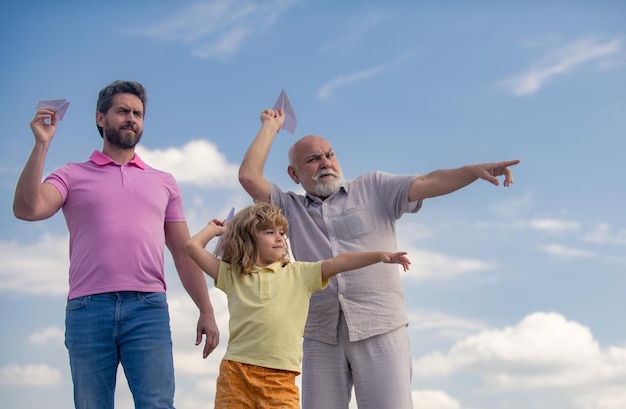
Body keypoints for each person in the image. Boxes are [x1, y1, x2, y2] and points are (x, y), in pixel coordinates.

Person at [238, 108, 521, 409]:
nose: (325, 163)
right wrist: (271, 125)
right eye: (313, 159)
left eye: (330, 155)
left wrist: (471, 172)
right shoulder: (289, 207)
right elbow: (248, 176)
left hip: (380, 325)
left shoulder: (374, 187)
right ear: (294, 174)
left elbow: (429, 180)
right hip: (321, 333)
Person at [12, 80, 220, 409]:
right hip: (87, 309)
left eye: (137, 113)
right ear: (100, 118)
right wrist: (42, 145)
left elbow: (183, 252)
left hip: (148, 309)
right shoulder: (71, 174)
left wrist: (206, 310)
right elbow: (27, 209)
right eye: (122, 111)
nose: (131, 118)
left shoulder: (163, 182)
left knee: (157, 404)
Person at [185, 202, 411, 408]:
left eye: (282, 233)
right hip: (236, 373)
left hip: (281, 379)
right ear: (249, 238)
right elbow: (192, 247)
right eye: (269, 232)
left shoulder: (300, 273)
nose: (279, 238)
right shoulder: (233, 275)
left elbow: (338, 262)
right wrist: (214, 229)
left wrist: (381, 255)